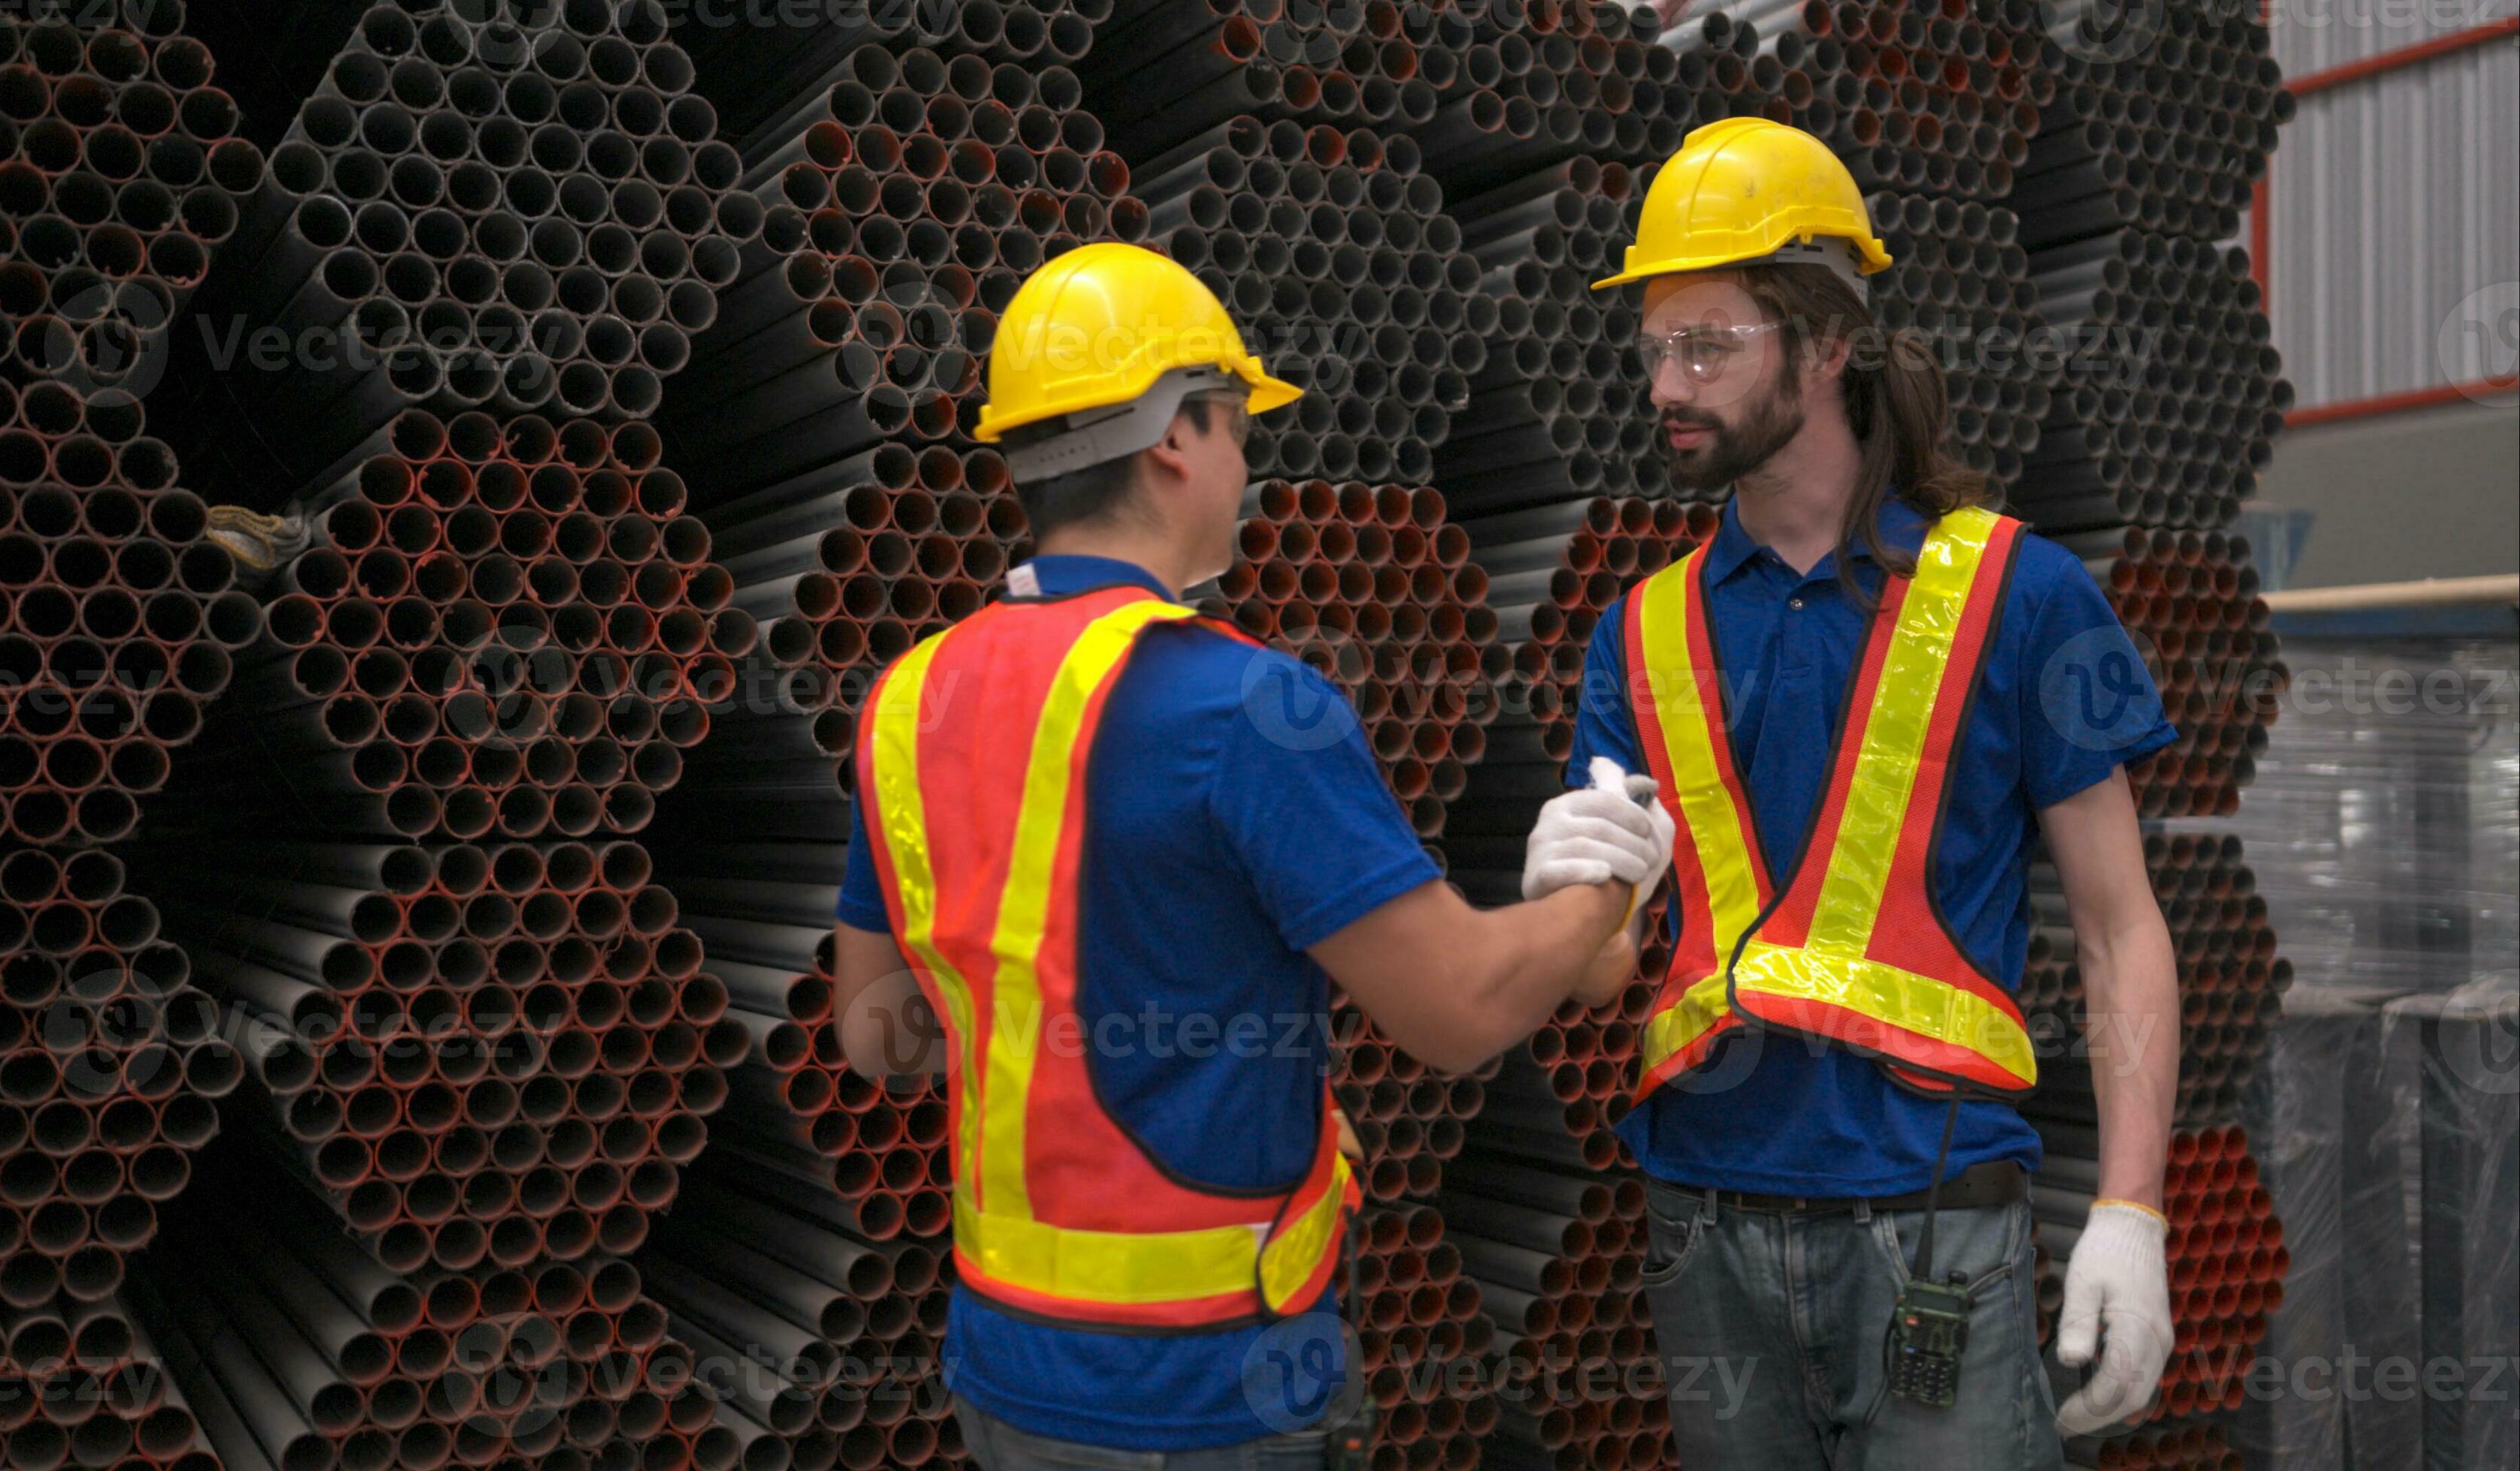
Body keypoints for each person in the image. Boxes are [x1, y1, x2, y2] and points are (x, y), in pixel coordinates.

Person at [826, 242, 1674, 1469]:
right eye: (1235, 429)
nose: (1246, 464)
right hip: (1209, 1397)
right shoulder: (1242, 709)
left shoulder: (908, 701)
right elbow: (1457, 1010)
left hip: (1001, 1372)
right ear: (1175, 437)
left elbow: (877, 1039)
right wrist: (1608, 876)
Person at [1533, 119, 2183, 1467]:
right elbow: (1609, 975)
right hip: (1700, 1223)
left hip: (1934, 1215)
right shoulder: (1638, 635)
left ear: (1826, 345)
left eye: (1707, 344)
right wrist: (1563, 901)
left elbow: (2122, 928)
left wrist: (2131, 1211)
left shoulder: (2024, 597)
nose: (1669, 382)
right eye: (1654, 347)